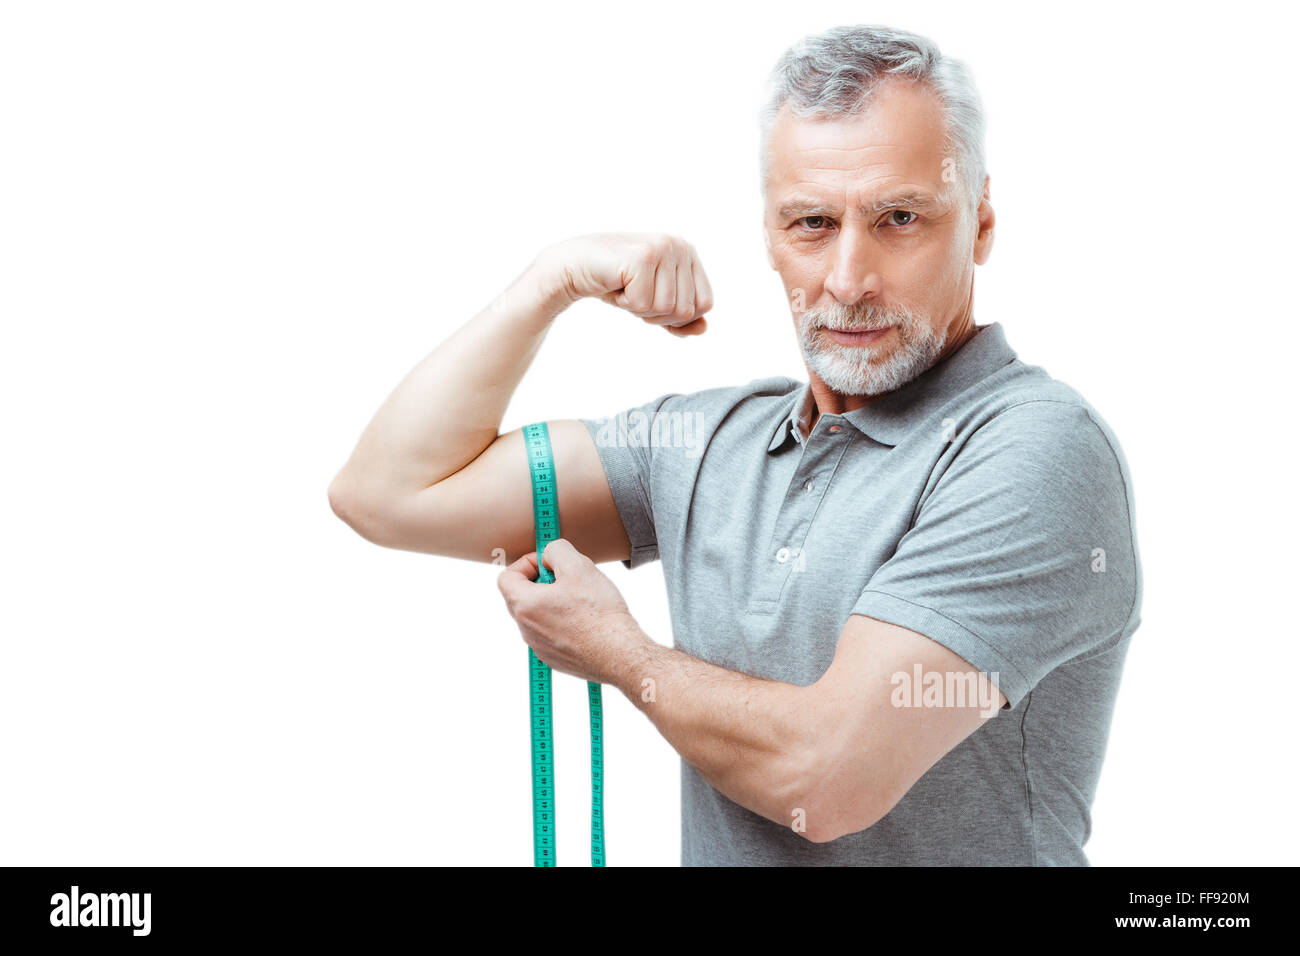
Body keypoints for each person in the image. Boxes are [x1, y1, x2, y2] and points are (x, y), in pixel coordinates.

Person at [328, 23, 1142, 866]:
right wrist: (552, 280)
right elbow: (388, 494)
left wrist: (617, 650)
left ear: (978, 224)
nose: (849, 278)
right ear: (767, 235)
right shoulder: (709, 443)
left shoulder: (1034, 450)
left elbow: (824, 781)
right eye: (812, 223)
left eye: (900, 218)